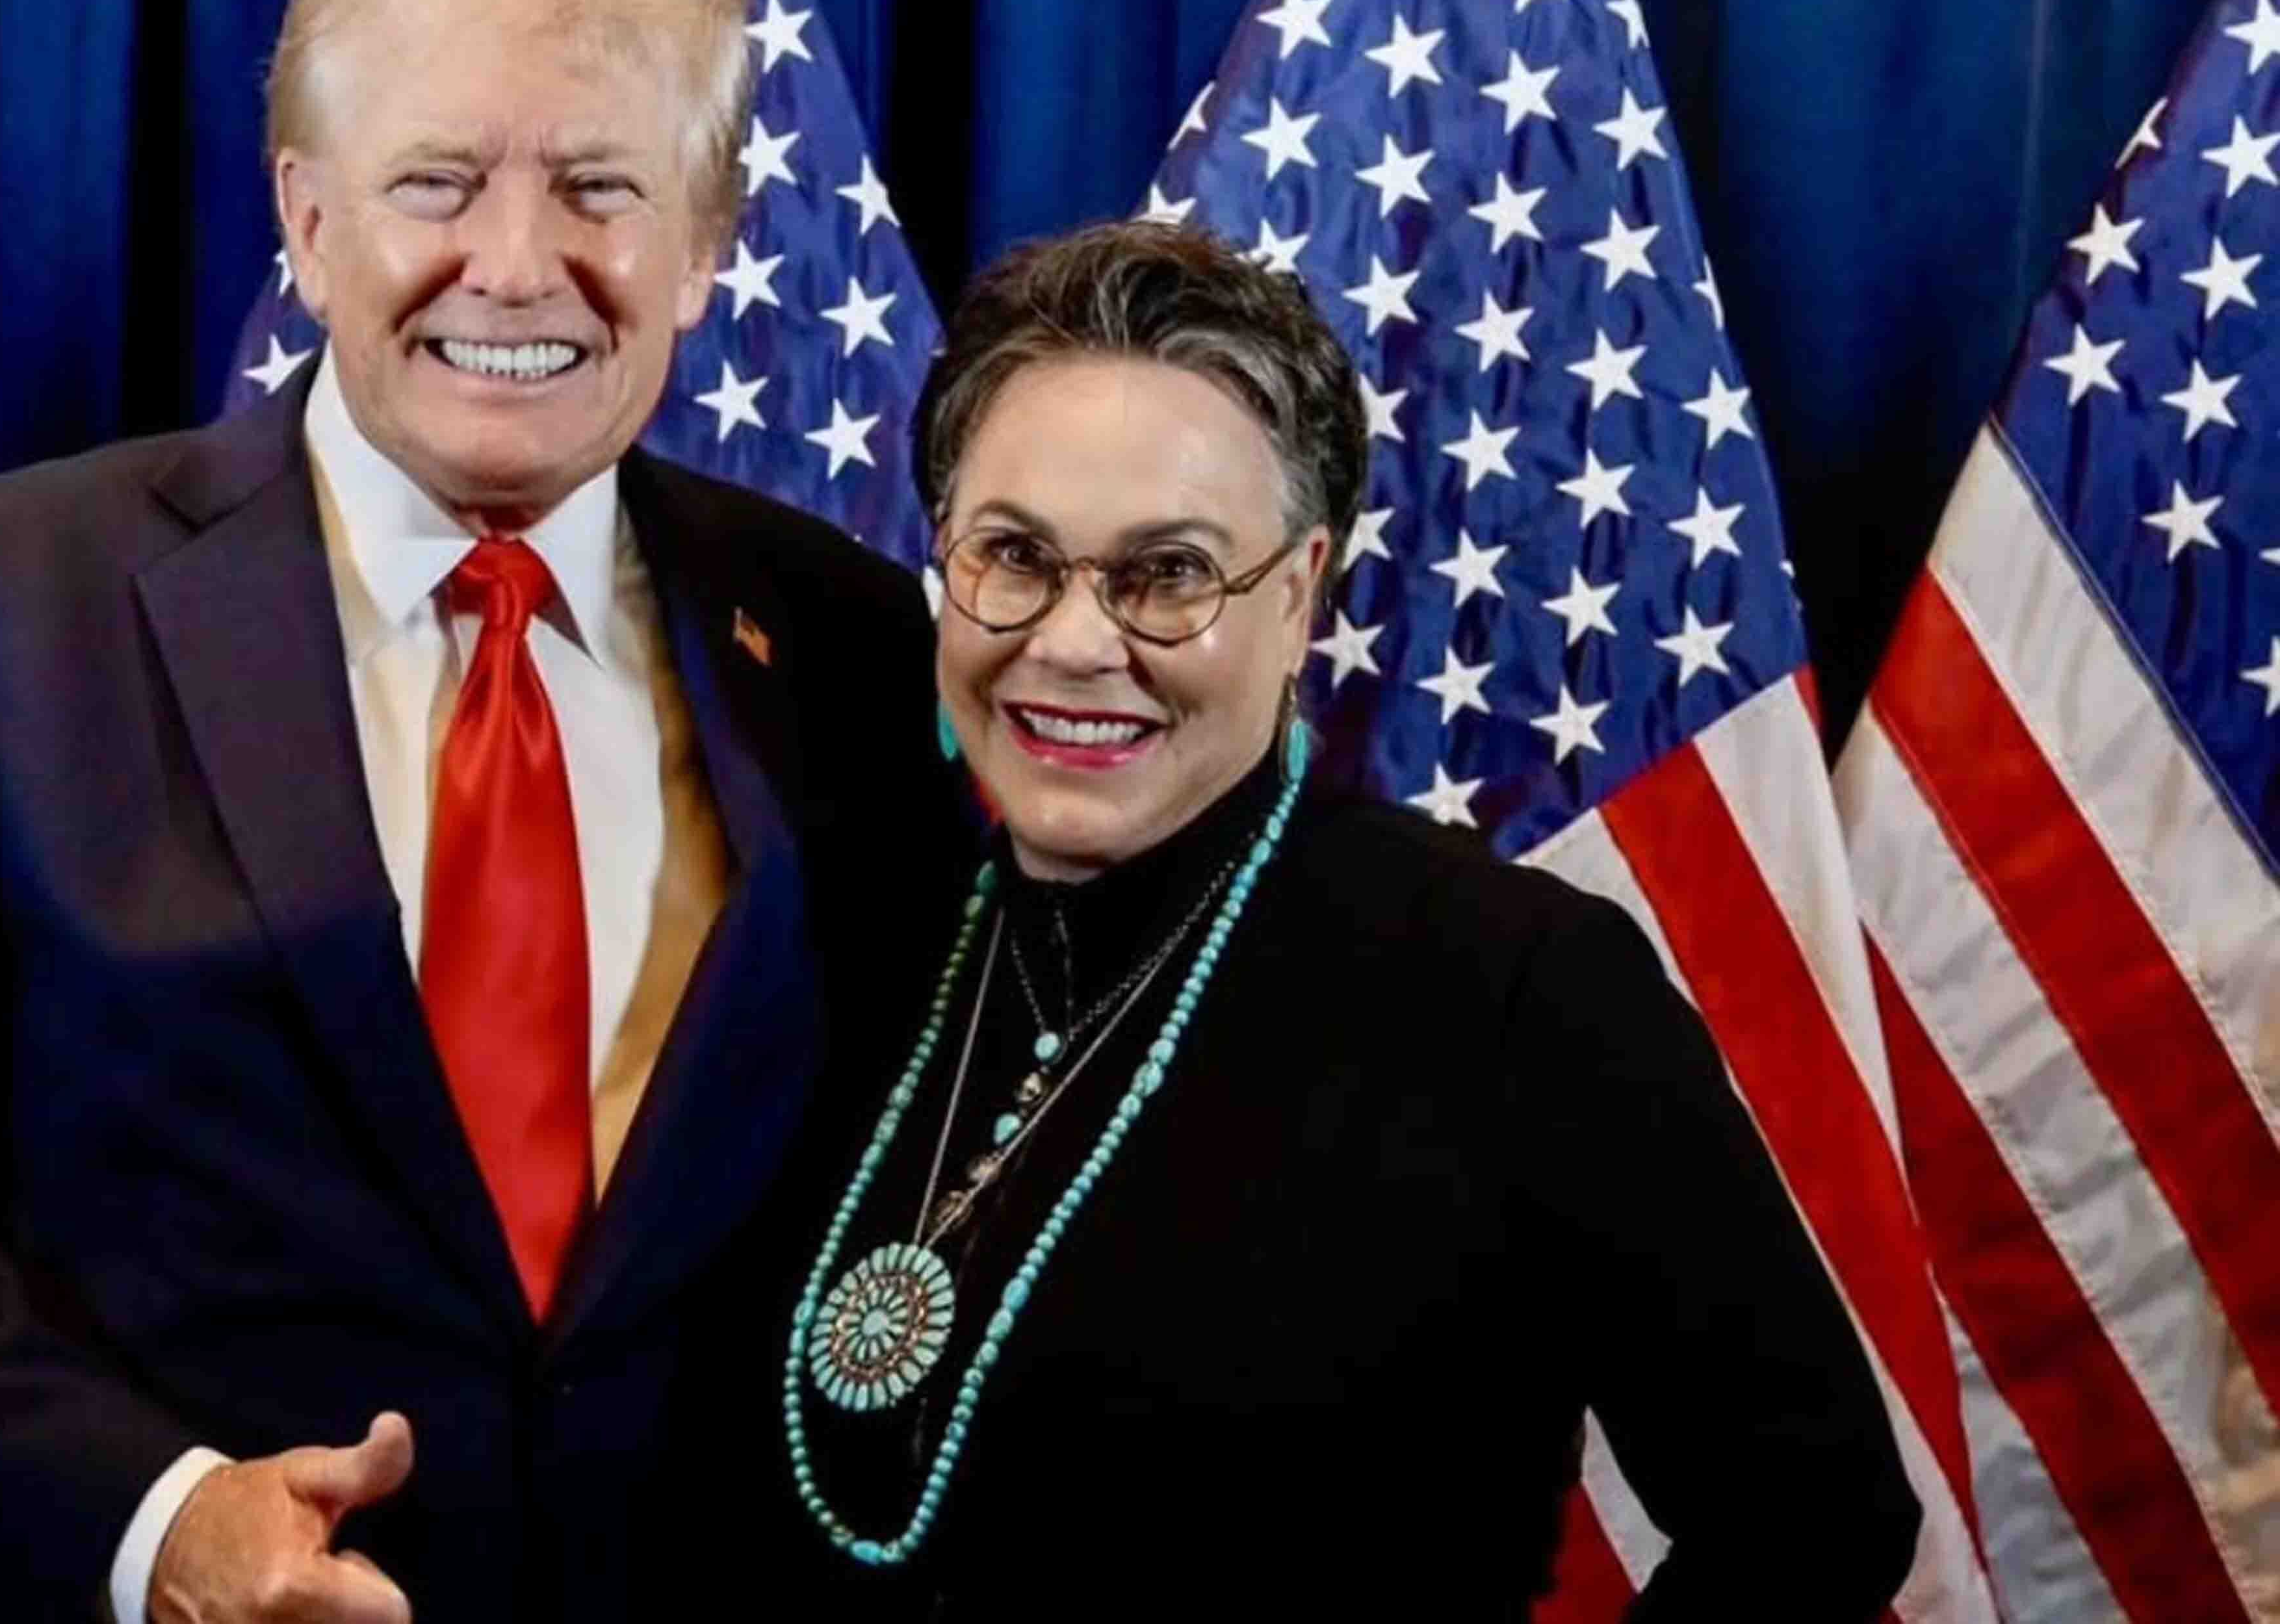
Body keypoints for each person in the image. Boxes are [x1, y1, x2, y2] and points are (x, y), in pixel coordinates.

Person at [0, 0, 961, 1621]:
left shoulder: (855, 646)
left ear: (705, 241)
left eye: (600, 187)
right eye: (437, 182)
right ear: (309, 217)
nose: (516, 263)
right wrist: (161, 1520)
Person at [763, 221, 1923, 1618]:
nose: (1074, 643)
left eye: (1169, 573)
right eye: (1015, 556)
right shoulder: (858, 926)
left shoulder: (1515, 991)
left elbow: (1817, 1515)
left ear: (1302, 588)